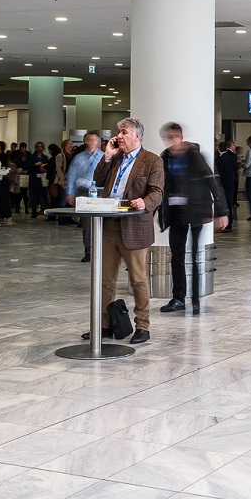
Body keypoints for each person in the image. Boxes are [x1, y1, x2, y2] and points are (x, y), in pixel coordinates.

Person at [87, 118, 162, 344]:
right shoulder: (115, 157)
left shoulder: (152, 160)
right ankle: (104, 325)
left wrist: (145, 203)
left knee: (138, 279)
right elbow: (97, 178)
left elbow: (157, 192)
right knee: (105, 280)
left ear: (137, 136)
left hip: (134, 227)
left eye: (124, 132)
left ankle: (142, 326)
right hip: (110, 226)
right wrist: (107, 155)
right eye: (118, 131)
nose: (119, 135)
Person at [158, 123, 227, 313]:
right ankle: (178, 298)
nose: (171, 140)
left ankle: (195, 300)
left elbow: (212, 181)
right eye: (168, 137)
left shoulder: (195, 155)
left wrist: (222, 211)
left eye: (174, 136)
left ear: (180, 137)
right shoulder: (165, 158)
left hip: (196, 210)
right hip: (175, 213)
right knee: (177, 258)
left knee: (195, 257)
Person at [63, 130, 104, 260]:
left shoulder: (104, 157)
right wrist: (70, 192)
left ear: (98, 142)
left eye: (94, 140)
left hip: (101, 192)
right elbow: (72, 176)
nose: (91, 142)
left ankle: (101, 251)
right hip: (84, 193)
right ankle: (89, 252)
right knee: (86, 224)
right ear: (85, 141)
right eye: (89, 139)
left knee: (103, 223)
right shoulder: (79, 157)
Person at [215, 139, 243, 232]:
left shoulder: (220, 159)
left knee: (223, 205)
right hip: (231, 183)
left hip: (223, 185)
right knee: (229, 204)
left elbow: (219, 173)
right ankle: (229, 224)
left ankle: (225, 225)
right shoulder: (232, 157)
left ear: (219, 149)